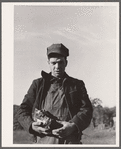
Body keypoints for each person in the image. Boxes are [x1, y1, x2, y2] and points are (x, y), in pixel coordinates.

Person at [17, 43, 93, 144]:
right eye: (53, 63)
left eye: (60, 62)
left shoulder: (77, 85)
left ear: (66, 62)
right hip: (43, 141)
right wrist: (31, 126)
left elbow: (87, 110)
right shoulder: (38, 84)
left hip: (70, 141)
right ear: (48, 62)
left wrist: (73, 125)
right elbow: (22, 110)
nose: (57, 67)